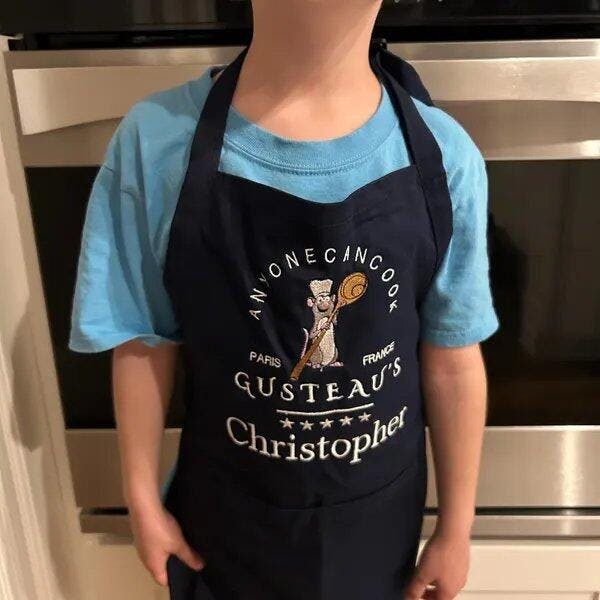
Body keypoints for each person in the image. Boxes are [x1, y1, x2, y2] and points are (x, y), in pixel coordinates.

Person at [69, 1, 499, 598]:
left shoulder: (445, 155)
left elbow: (451, 359)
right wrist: (141, 498)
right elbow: (143, 336)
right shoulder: (157, 141)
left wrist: (456, 529)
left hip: (377, 531)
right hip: (226, 530)